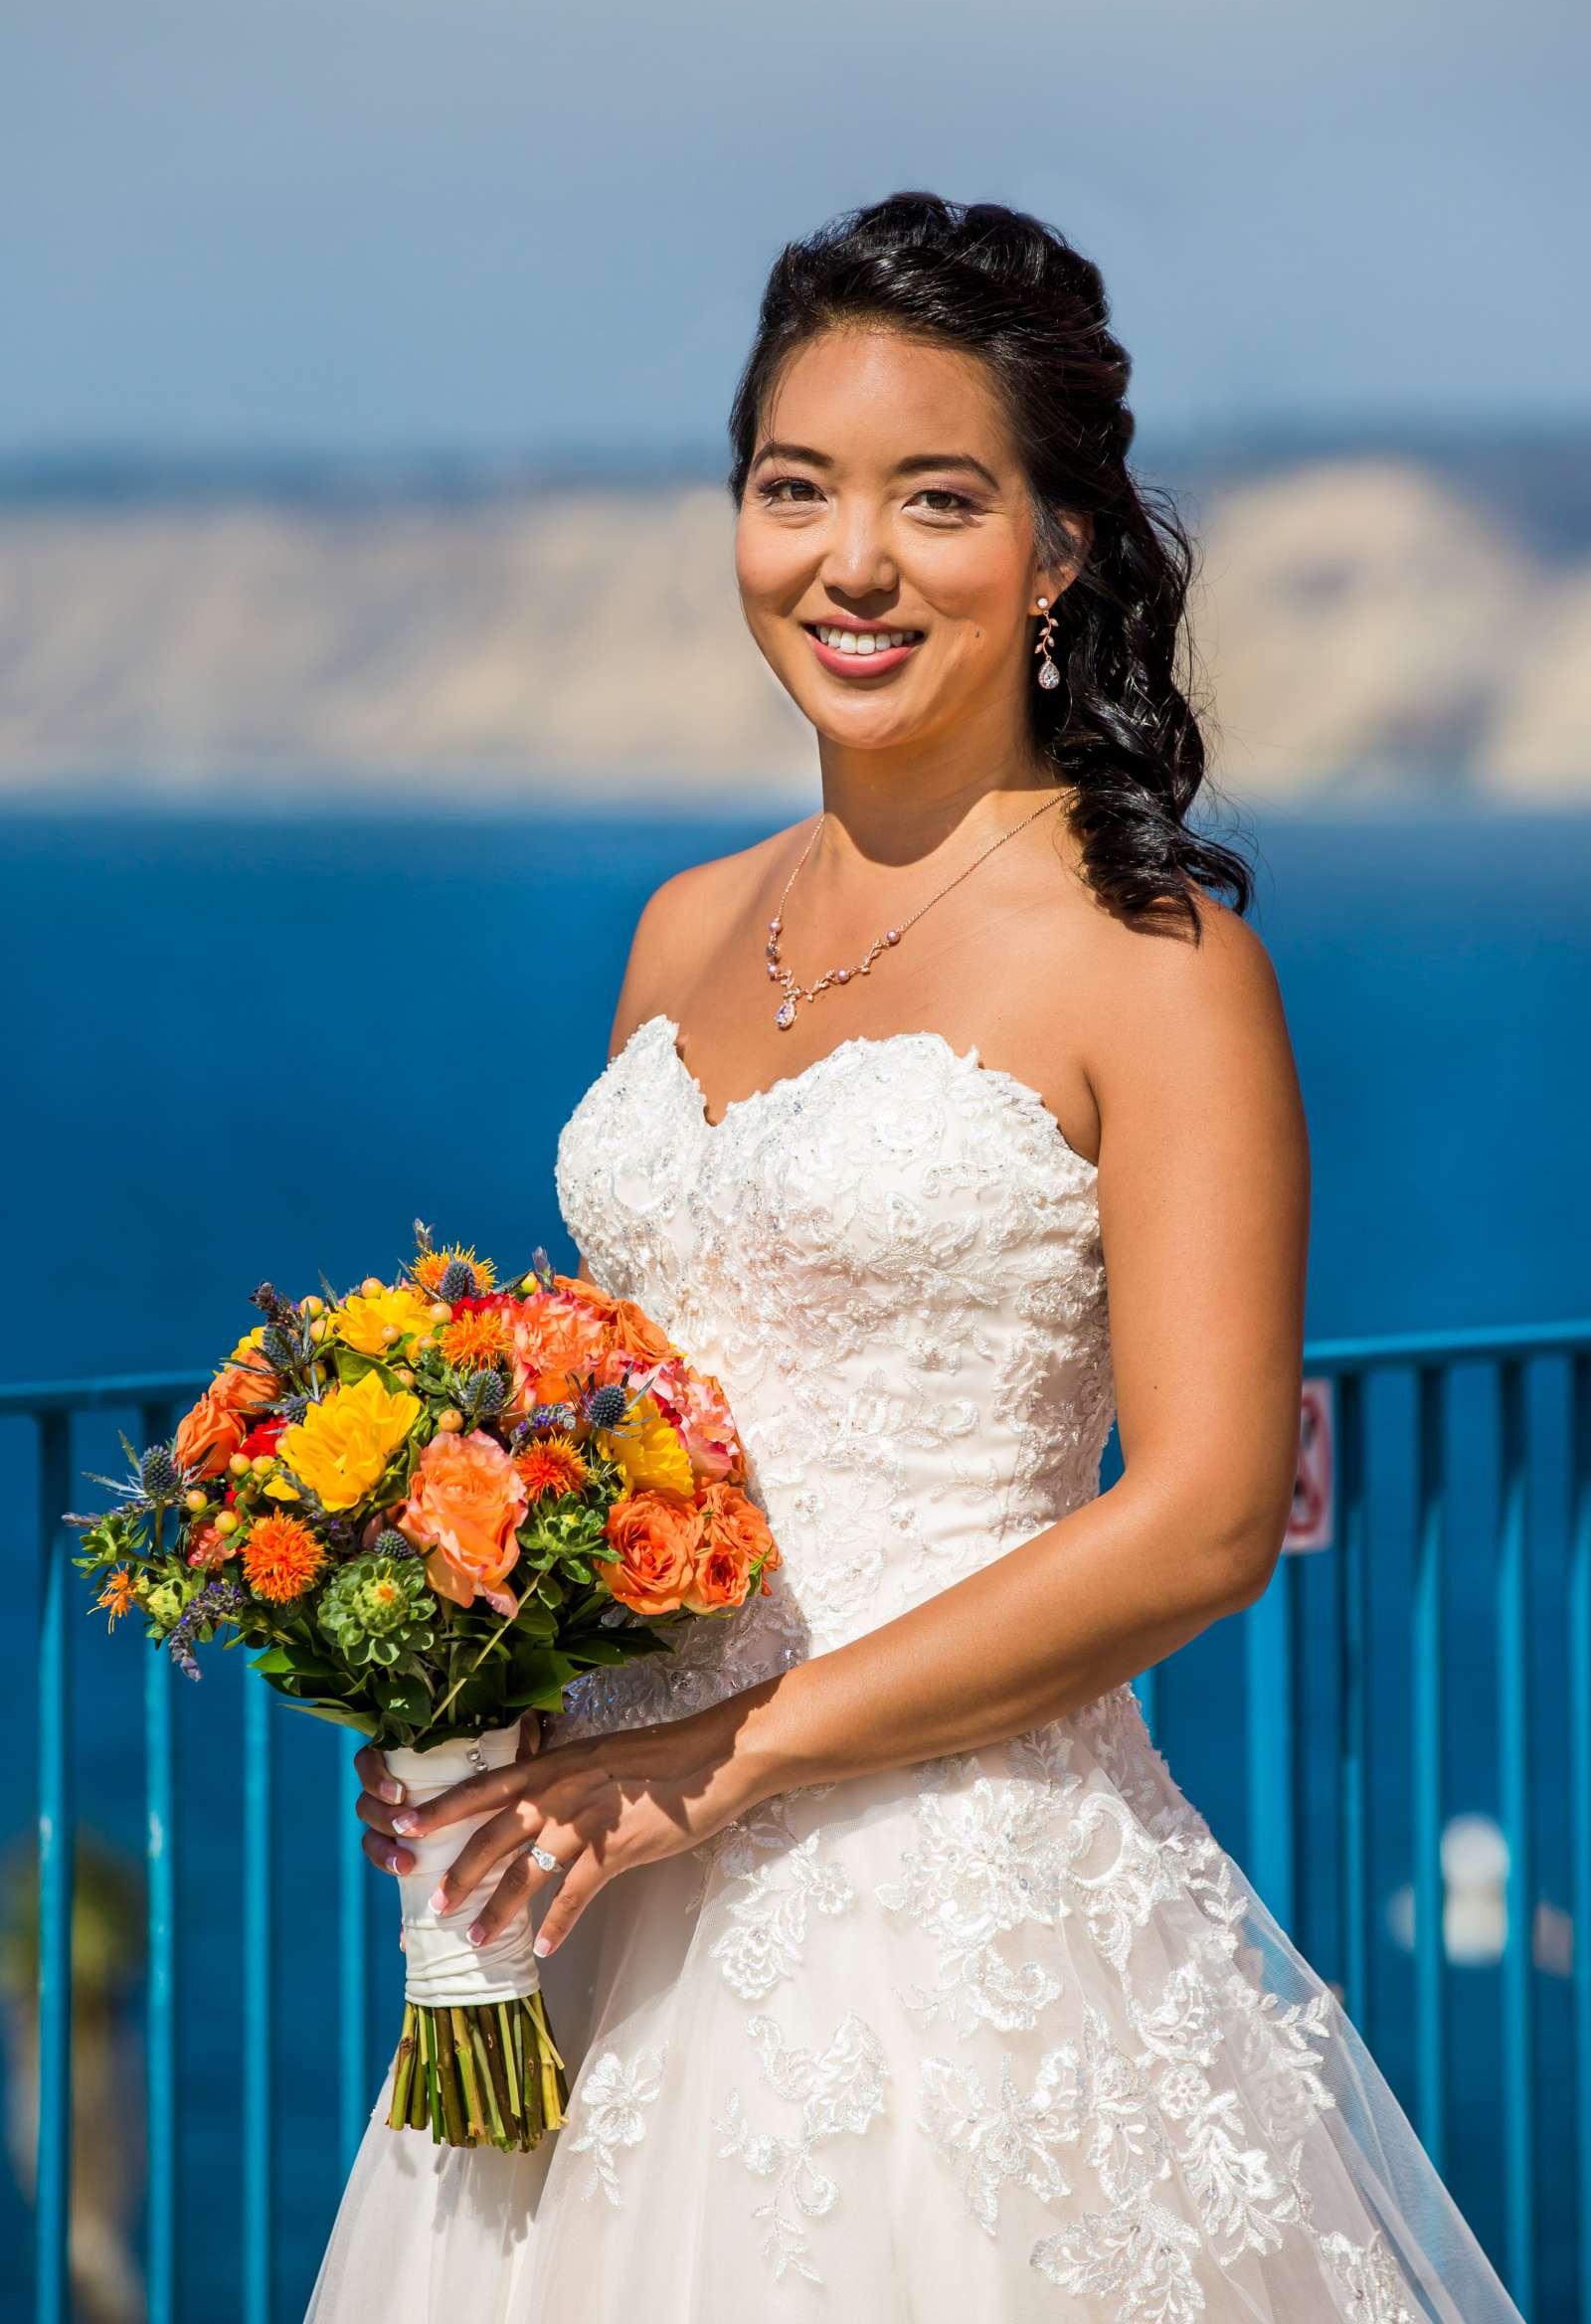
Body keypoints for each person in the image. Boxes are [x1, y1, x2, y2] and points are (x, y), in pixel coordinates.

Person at [304, 191, 1523, 2320]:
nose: (847, 563)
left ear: (1057, 552)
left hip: (947, 1910)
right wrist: (454, 1688)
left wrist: (730, 1757)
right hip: (595, 1887)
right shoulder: (681, 926)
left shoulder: (1153, 965)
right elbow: (623, 1425)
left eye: (933, 500)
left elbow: (1209, 1517)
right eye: (794, 490)